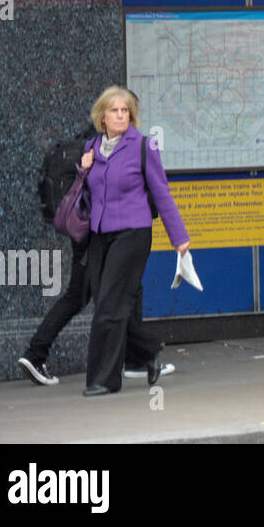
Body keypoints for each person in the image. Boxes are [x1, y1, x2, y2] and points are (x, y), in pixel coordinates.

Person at [78, 86, 190, 396]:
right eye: (114, 110)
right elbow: (84, 194)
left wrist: (179, 237)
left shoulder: (143, 146)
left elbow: (162, 192)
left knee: (111, 306)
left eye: (125, 110)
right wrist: (82, 169)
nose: (120, 115)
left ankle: (104, 380)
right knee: (105, 303)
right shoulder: (92, 147)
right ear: (102, 116)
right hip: (100, 234)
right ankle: (148, 350)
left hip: (133, 232)